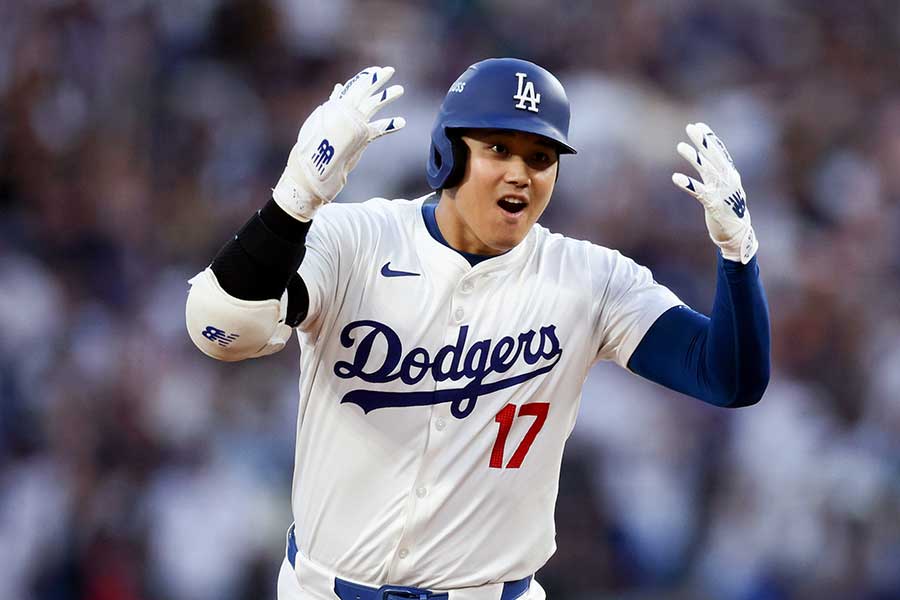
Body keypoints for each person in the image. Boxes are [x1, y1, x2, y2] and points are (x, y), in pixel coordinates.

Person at [185, 58, 770, 600]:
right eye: (498, 148)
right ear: (448, 155)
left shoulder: (590, 279)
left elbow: (729, 378)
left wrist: (738, 256)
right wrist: (293, 201)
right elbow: (222, 327)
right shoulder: (355, 240)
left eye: (540, 158)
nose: (520, 174)